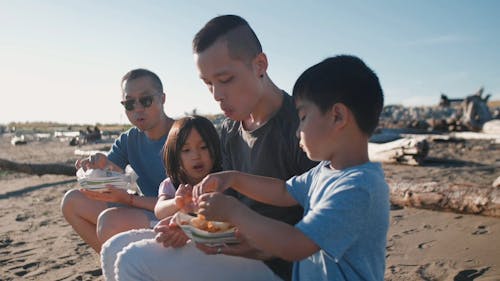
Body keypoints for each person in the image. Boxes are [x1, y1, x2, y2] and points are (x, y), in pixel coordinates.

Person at [111, 14, 316, 281]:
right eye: (208, 83)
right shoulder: (231, 131)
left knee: (132, 261)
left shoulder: (304, 129)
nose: (217, 95)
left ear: (260, 65)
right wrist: (191, 227)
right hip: (236, 248)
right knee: (115, 248)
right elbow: (230, 207)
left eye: (225, 79)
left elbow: (322, 228)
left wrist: (251, 244)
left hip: (282, 266)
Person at [194, 55, 390, 281]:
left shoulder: (358, 188)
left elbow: (296, 244)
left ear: (337, 116)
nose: (298, 131)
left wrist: (233, 212)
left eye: (304, 117)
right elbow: (284, 191)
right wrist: (233, 178)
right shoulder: (326, 170)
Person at [60, 68, 176, 253]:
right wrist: (97, 168)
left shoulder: (185, 135)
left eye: (145, 100)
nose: (138, 108)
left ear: (162, 99)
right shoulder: (129, 140)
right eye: (129, 103)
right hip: (145, 211)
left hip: (177, 217)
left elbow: (188, 201)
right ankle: (114, 265)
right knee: (72, 201)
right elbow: (110, 174)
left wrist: (130, 200)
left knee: (109, 221)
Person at [101, 115, 224, 281]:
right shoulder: (172, 184)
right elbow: (159, 210)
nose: (196, 155)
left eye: (203, 147)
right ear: (175, 156)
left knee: (133, 258)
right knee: (113, 247)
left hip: (209, 250)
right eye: (186, 150)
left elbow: (225, 224)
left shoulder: (221, 181)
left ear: (215, 149)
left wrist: (190, 225)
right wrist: (176, 202)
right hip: (173, 244)